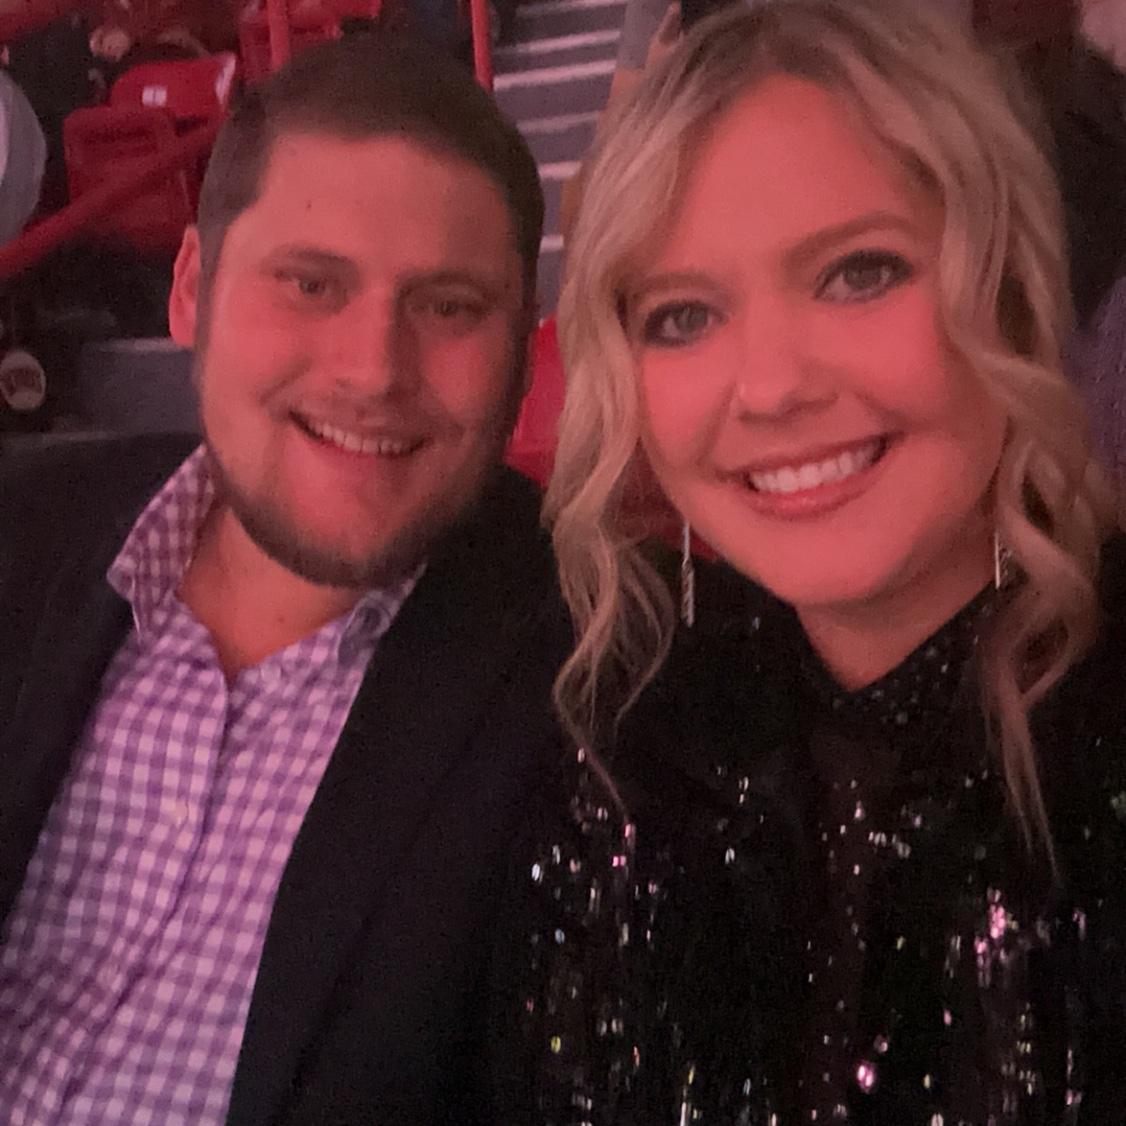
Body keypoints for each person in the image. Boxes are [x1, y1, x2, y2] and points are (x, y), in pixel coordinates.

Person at [519, 0, 1126, 1121]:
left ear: (1009, 286)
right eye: (683, 316)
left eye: (859, 273)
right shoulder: (622, 748)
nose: (771, 387)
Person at [0, 32, 568, 1125]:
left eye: (450, 305)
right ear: (191, 289)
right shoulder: (21, 539)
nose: (373, 370)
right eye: (310, 283)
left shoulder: (600, 671)